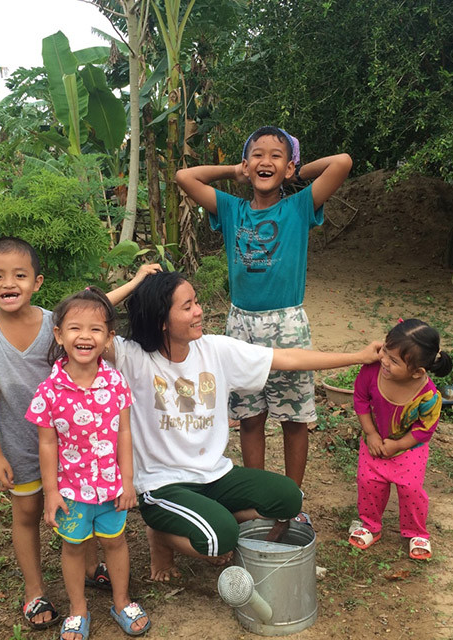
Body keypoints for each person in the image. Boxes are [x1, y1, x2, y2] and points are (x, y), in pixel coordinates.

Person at [107, 271, 381, 581]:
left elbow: (288, 358)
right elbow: (81, 318)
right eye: (187, 307)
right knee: (220, 538)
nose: (199, 311)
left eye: (196, 302)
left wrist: (358, 356)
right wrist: (136, 284)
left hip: (215, 474)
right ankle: (160, 535)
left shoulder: (215, 349)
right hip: (163, 484)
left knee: (289, 497)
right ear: (162, 320)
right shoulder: (132, 357)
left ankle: (206, 519)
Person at [0, 236, 160, 629]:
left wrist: (139, 277)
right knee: (27, 513)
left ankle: (92, 570)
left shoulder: (56, 322)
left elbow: (95, 309)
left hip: (79, 447)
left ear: (36, 282)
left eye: (19, 275)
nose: (9, 284)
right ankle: (34, 591)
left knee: (79, 512)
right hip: (23, 444)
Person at [175, 126, 352, 524]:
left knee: (293, 417)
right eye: (257, 154)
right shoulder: (232, 209)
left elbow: (342, 163)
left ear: (288, 167)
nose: (265, 162)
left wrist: (300, 172)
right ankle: (259, 502)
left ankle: (291, 503)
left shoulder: (299, 207)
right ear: (246, 163)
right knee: (250, 417)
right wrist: (234, 171)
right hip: (241, 325)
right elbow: (185, 177)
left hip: (287, 324)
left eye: (276, 155)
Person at [26, 288, 150, 640]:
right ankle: (78, 609)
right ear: (59, 335)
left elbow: (124, 434)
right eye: (75, 328)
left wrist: (128, 482)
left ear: (109, 337)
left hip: (112, 488)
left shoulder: (116, 383)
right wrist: (51, 493)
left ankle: (122, 601)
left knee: (116, 542)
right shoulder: (49, 391)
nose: (85, 336)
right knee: (73, 547)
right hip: (72, 491)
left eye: (96, 329)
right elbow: (47, 443)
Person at [347, 319, 453, 561]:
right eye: (386, 350)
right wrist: (371, 434)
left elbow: (425, 429)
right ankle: (370, 525)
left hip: (408, 448)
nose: (384, 360)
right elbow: (361, 400)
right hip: (374, 441)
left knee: (411, 489)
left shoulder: (428, 396)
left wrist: (398, 445)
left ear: (417, 372)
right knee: (369, 481)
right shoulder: (371, 373)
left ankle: (417, 532)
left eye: (394, 361)